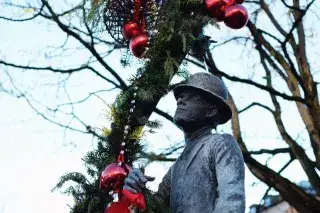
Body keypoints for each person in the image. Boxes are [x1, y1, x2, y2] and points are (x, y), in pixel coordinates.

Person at [124, 72, 245, 213]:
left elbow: (232, 203)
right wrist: (136, 189)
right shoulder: (175, 169)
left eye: (191, 97)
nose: (180, 101)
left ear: (211, 111)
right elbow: (154, 209)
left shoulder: (221, 143)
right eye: (180, 97)